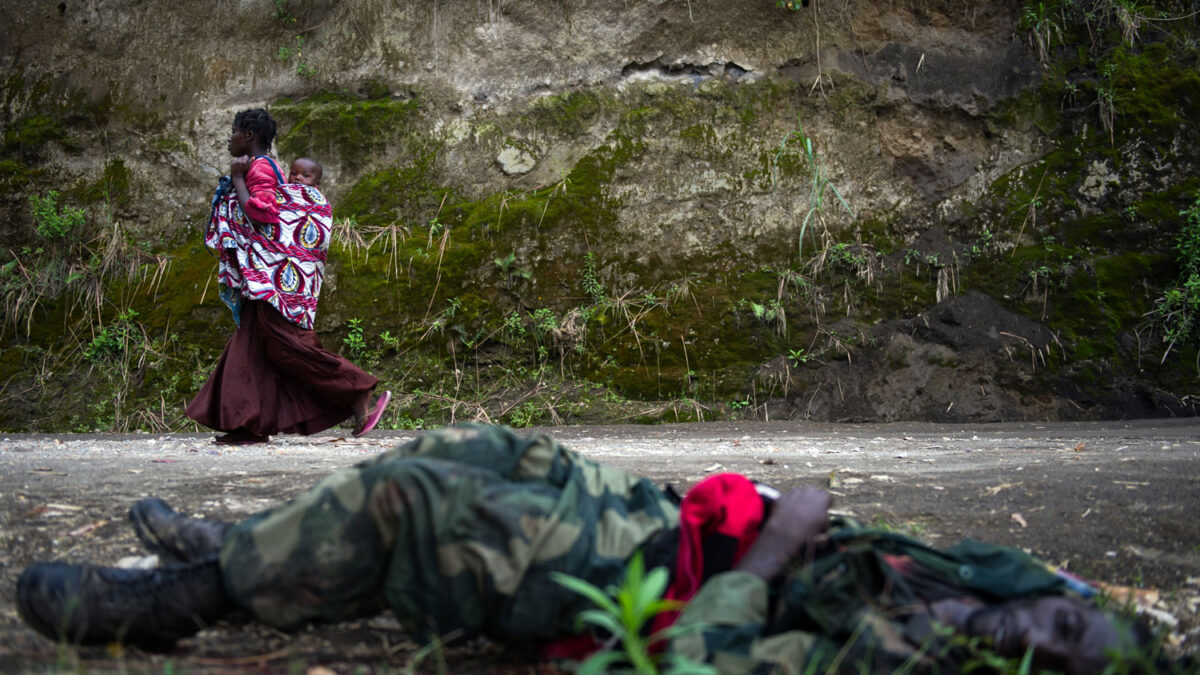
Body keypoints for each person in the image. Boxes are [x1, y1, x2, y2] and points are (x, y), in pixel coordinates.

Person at [16, 425, 1156, 674]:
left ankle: (188, 596)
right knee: (474, 448)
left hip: (659, 590)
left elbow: (713, 669)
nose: (1035, 630)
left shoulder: (893, 666)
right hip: (686, 527)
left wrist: (770, 556)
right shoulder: (981, 588)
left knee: (417, 498)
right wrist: (779, 511)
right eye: (1061, 613)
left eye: (1055, 655)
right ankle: (255, 545)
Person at [186, 109, 389, 445]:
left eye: (234, 131)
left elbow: (264, 212)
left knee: (285, 344)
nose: (229, 137)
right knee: (251, 346)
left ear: (249, 135)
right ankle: (248, 423)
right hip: (259, 276)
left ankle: (357, 390)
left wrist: (238, 179)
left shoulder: (260, 167)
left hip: (268, 278)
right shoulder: (263, 166)